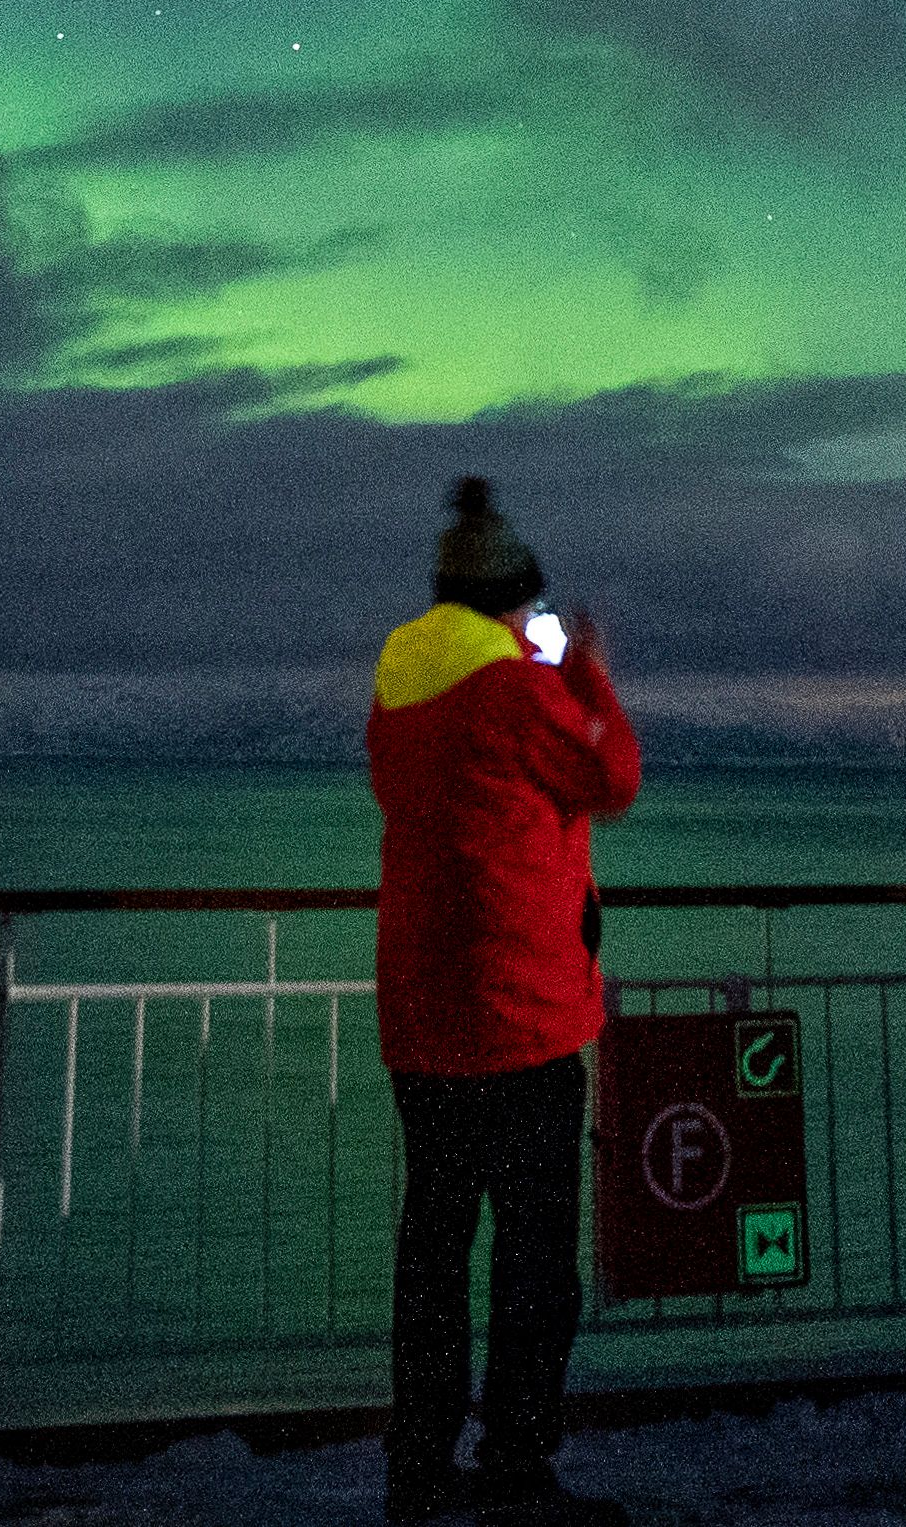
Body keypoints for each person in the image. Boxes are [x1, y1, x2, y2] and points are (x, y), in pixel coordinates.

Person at [366, 479, 644, 1526]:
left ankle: (419, 1467)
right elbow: (610, 777)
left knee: (432, 1252)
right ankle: (517, 1468)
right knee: (535, 1264)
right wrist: (588, 672)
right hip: (520, 1017)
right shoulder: (517, 693)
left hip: (419, 1018)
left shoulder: (398, 684)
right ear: (508, 602)